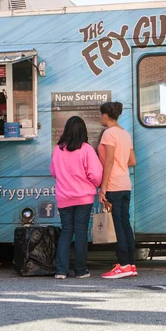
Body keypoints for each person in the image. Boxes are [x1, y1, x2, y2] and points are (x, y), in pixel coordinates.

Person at [50, 116, 103, 279]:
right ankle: (80, 270)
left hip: (64, 197)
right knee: (80, 232)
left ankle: (61, 270)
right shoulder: (87, 149)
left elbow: (53, 172)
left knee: (66, 231)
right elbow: (96, 175)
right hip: (83, 198)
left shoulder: (57, 149)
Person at [98, 102, 137, 279]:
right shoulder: (124, 134)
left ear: (105, 116)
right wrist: (121, 165)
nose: (101, 118)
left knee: (117, 225)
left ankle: (122, 265)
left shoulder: (109, 134)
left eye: (101, 115)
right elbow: (132, 161)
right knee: (125, 223)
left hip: (113, 184)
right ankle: (130, 263)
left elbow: (109, 161)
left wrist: (103, 187)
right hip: (125, 184)